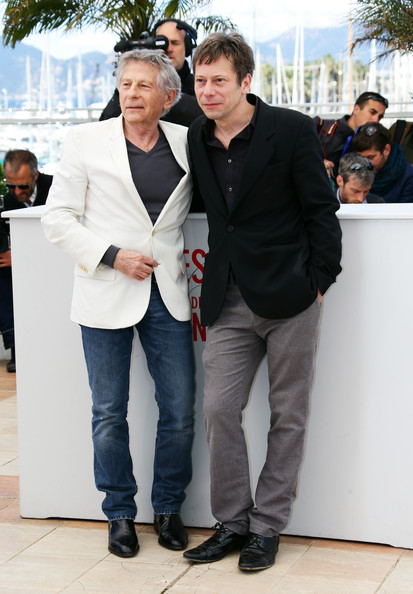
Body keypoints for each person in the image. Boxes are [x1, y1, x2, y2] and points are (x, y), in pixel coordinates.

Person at [184, 32, 342, 572]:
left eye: (218, 81)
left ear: (245, 81)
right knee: (218, 409)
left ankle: (266, 527)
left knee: (287, 414)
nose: (207, 91)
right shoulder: (196, 136)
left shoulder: (291, 129)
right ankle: (232, 522)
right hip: (226, 296)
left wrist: (319, 279)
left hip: (291, 296)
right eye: (200, 81)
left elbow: (321, 209)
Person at [42, 49, 195, 558]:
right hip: (105, 289)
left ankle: (168, 508)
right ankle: (120, 515)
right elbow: (57, 218)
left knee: (179, 411)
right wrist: (113, 256)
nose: (131, 93)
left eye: (143, 85)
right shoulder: (85, 140)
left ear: (168, 97)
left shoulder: (187, 140)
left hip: (168, 292)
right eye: (126, 84)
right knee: (109, 412)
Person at [0, 150, 52, 373]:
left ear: (35, 176)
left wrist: (22, 255)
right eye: (11, 186)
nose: (17, 192)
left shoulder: (56, 189)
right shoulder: (9, 200)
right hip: (25, 265)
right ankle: (16, 347)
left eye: (23, 186)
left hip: (56, 260)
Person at [100, 18, 202, 126]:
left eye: (175, 43)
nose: (168, 48)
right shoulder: (132, 87)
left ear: (187, 48)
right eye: (161, 42)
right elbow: (107, 122)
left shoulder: (199, 86)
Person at [314, 91, 388, 180]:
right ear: (356, 109)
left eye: (380, 117)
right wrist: (316, 161)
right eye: (372, 112)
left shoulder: (373, 142)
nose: (376, 120)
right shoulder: (320, 126)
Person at [348, 122, 413, 203]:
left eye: (370, 157)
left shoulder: (408, 176)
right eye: (360, 158)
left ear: (386, 150)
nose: (364, 163)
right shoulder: (350, 170)